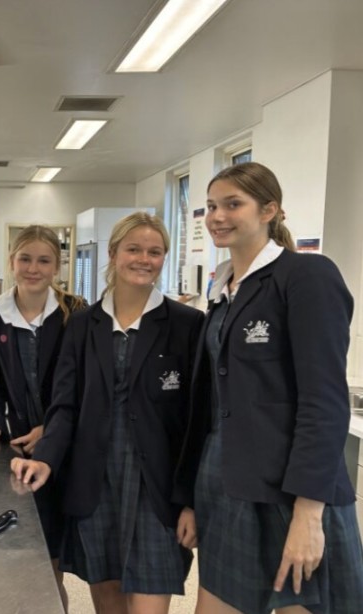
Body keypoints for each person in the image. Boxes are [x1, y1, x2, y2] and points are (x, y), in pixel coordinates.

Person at [174, 162, 363, 614]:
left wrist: (308, 514)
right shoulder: (223, 291)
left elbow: (324, 401)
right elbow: (208, 406)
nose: (217, 216)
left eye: (232, 204)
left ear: (269, 210)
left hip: (292, 490)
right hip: (227, 485)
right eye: (211, 206)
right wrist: (191, 498)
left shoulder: (305, 276)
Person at [12, 213, 203, 614]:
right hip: (95, 482)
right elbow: (65, 404)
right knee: (108, 599)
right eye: (133, 249)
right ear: (114, 254)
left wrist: (191, 500)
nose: (144, 259)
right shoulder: (84, 325)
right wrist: (46, 458)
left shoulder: (187, 324)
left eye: (155, 252)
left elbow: (197, 420)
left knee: (149, 602)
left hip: (156, 489)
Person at [0, 224, 86, 604]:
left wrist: (48, 429)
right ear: (12, 261)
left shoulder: (76, 312)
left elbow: (84, 385)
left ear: (57, 267)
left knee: (50, 561)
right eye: (25, 259)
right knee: (19, 554)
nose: (33, 268)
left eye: (44, 260)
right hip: (17, 447)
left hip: (64, 446)